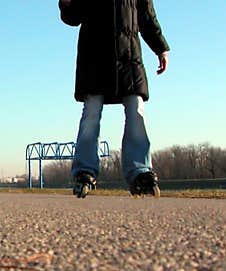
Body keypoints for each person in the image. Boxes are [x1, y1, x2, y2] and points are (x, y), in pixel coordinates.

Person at [59, 0, 170, 198]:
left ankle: (140, 171)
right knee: (91, 114)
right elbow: (72, 16)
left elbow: (146, 16)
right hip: (94, 57)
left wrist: (160, 47)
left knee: (136, 110)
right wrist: (66, 4)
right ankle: (85, 171)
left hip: (128, 58)